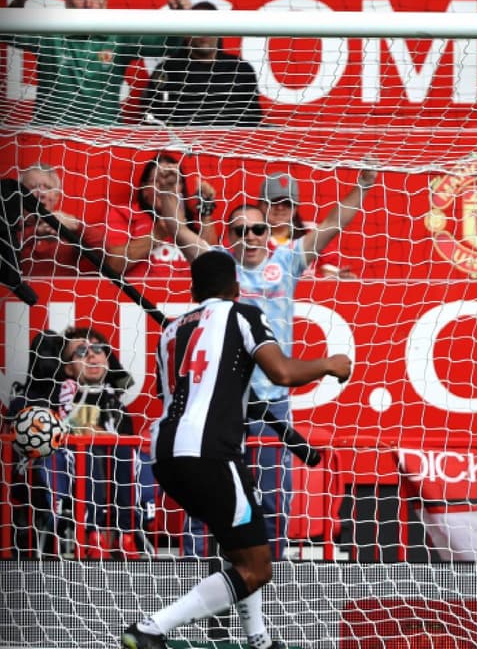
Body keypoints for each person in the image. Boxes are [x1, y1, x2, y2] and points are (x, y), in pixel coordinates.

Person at [119, 251, 351, 649]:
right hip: (210, 450)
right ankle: (149, 629)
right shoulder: (243, 313)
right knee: (258, 568)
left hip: (165, 453)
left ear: (194, 289)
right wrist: (331, 363)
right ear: (236, 287)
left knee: (241, 542)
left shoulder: (171, 330)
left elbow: (173, 393)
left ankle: (258, 640)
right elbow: (283, 373)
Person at [164, 166, 378, 557]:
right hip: (221, 398)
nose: (249, 237)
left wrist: (361, 186)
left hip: (270, 398)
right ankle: (194, 570)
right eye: (240, 230)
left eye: (257, 229)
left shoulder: (289, 259)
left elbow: (333, 224)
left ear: (271, 231)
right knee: (207, 492)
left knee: (272, 494)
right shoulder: (217, 262)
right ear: (229, 236)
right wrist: (167, 195)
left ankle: (270, 573)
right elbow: (179, 232)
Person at [4, 326, 152, 559]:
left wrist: (104, 435)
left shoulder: (116, 405)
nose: (92, 355)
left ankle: (126, 535)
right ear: (67, 366)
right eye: (81, 351)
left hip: (115, 485)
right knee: (87, 449)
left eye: (98, 349)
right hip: (63, 478)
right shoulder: (49, 398)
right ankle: (91, 535)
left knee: (125, 450)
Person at [3, 0, 190, 125]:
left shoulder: (119, 36)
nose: (88, 2)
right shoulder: (49, 33)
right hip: (51, 136)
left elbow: (167, 46)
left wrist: (180, 19)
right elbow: (7, 32)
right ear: (67, 2)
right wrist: (19, 0)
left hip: (104, 139)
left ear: (105, 2)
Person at [140, 0, 264, 128]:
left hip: (232, 143)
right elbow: (152, 115)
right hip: (180, 143)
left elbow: (253, 116)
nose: (204, 33)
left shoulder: (240, 70)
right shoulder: (169, 70)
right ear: (188, 32)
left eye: (210, 26)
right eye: (199, 26)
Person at [102, 150, 220, 279]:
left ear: (181, 188)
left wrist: (206, 212)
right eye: (157, 180)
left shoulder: (193, 219)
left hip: (189, 293)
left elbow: (213, 266)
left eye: (173, 181)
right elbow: (112, 265)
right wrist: (156, 235)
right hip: (137, 294)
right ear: (144, 190)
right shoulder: (125, 214)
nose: (164, 186)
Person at [259, 172, 356, 280]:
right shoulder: (249, 235)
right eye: (274, 202)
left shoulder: (312, 232)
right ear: (261, 204)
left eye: (287, 203)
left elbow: (329, 270)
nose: (280, 208)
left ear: (296, 207)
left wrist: (338, 276)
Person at [15, 163, 101, 276]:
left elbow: (105, 253)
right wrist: (36, 233)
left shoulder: (71, 232)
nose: (41, 193)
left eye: (48, 188)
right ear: (19, 194)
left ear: (56, 197)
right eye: (33, 187)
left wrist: (77, 225)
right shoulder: (8, 227)